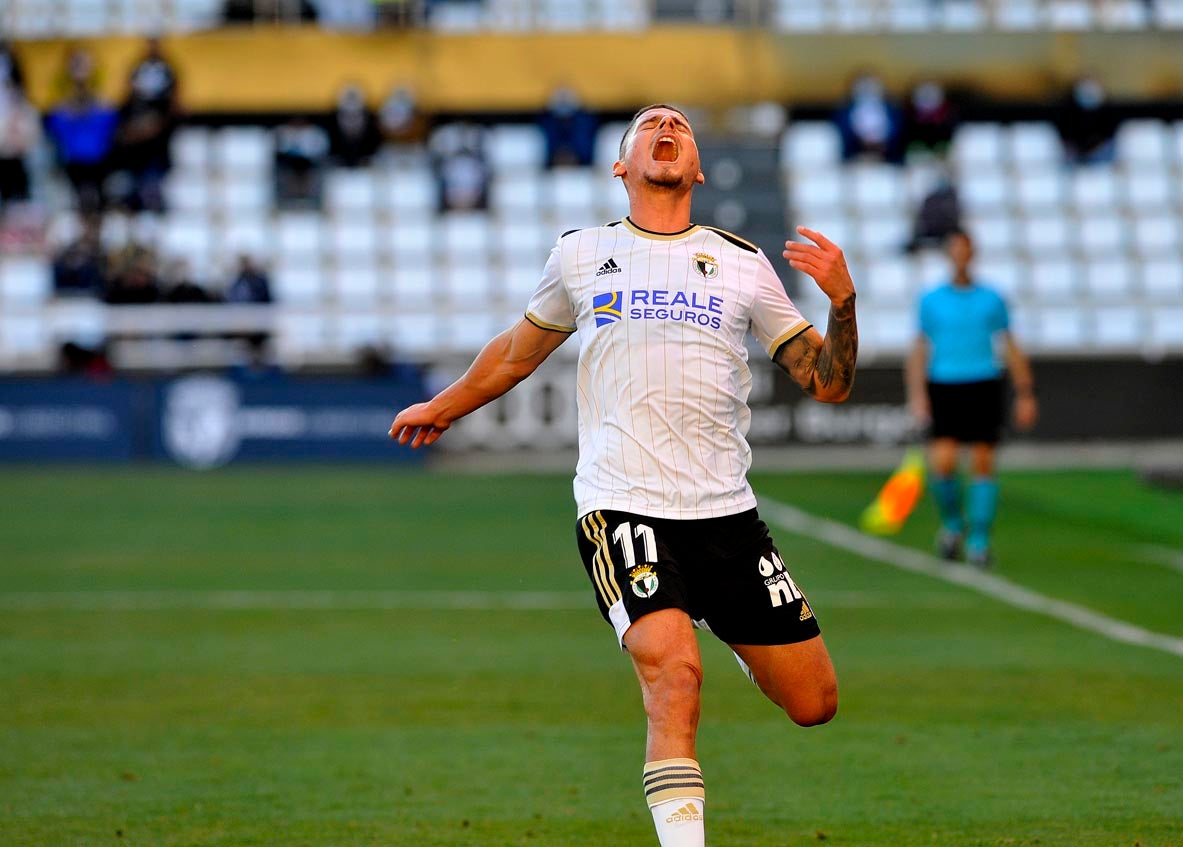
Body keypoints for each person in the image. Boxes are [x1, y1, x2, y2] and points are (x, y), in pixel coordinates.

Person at [390, 104, 858, 847]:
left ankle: (722, 617)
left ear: (697, 167)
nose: (666, 127)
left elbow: (826, 382)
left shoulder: (740, 261)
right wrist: (445, 405)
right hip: (622, 505)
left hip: (725, 515)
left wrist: (841, 301)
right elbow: (517, 351)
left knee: (816, 701)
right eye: (648, 125)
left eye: (678, 124)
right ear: (621, 165)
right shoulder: (581, 254)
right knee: (674, 679)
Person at [905, 230, 1037, 569]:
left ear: (972, 254)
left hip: (983, 383)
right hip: (945, 384)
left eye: (965, 250)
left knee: (982, 462)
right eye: (955, 251)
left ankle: (979, 539)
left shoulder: (991, 298)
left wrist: (1024, 391)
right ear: (949, 255)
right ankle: (952, 523)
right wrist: (918, 395)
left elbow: (1009, 343)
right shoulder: (931, 299)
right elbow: (919, 349)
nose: (960, 256)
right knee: (944, 463)